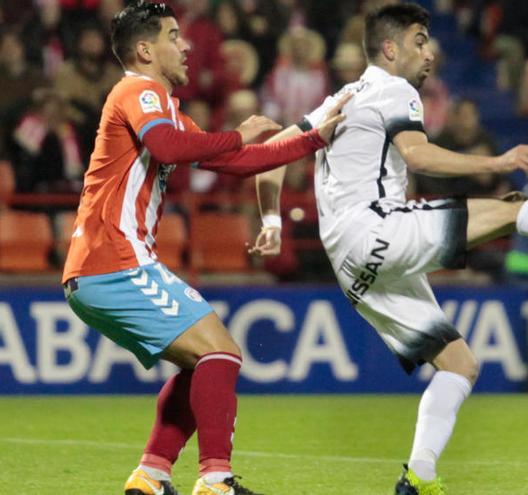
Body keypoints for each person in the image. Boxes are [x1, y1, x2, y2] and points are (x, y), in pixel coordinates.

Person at [250, 4, 528, 494]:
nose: (429, 52)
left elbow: (269, 159)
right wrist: (496, 161)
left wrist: (271, 221)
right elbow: (417, 154)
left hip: (350, 266)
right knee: (514, 208)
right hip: (376, 231)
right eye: (418, 40)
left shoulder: (342, 97)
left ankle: (419, 476)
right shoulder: (395, 90)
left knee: (459, 365)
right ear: (390, 48)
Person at [60, 2, 348, 494]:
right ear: (146, 49)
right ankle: (215, 480)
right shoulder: (138, 90)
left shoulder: (165, 109)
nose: (186, 45)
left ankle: (151, 475)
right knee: (222, 353)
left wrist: (315, 136)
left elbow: (242, 161)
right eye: (174, 36)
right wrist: (235, 134)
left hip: (110, 266)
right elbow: (174, 149)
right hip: (115, 261)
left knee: (207, 358)